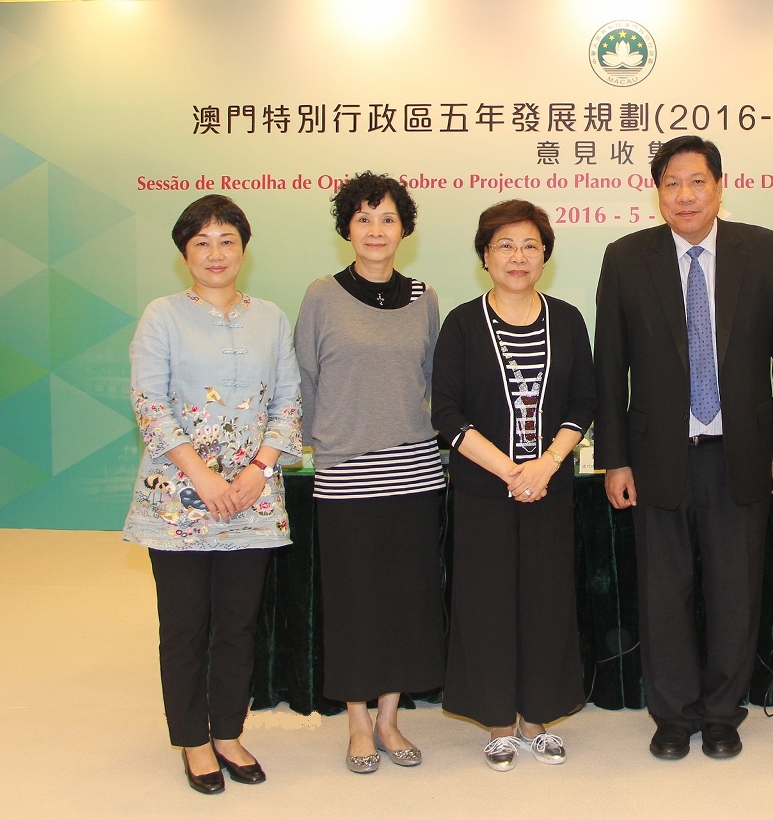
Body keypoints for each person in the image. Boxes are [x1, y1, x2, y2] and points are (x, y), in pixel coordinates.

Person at [593, 135, 773, 760]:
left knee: (734, 592)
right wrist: (615, 458)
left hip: (739, 453)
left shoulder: (763, 250)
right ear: (657, 193)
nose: (685, 195)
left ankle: (722, 712)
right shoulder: (626, 257)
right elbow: (611, 367)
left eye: (696, 182)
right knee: (664, 595)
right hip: (659, 457)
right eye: (671, 184)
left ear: (720, 186)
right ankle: (673, 715)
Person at [124, 195, 302, 794]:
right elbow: (150, 403)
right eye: (201, 242)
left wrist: (258, 469)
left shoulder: (271, 318)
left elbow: (288, 401)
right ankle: (193, 741)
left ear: (244, 249)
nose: (215, 253)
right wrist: (201, 475)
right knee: (183, 626)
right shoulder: (162, 315)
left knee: (237, 623)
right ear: (184, 253)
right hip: (179, 498)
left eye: (227, 239)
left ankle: (228, 731)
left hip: (253, 497)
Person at [431, 199, 596, 771]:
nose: (517, 257)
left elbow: (584, 402)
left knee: (547, 604)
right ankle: (499, 722)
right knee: (486, 604)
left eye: (529, 245)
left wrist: (547, 464)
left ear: (545, 255)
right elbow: (447, 415)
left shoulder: (568, 319)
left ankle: (537, 718)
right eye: (504, 245)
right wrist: (509, 470)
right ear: (484, 255)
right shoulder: (461, 322)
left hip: (549, 488)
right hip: (484, 492)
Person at [294, 172, 445, 774]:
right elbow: (305, 379)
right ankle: (357, 721)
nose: (376, 230)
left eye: (387, 218)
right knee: (355, 602)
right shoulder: (321, 295)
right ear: (346, 230)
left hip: (415, 473)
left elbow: (433, 382)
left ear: (404, 228)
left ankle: (389, 718)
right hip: (346, 474)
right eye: (363, 218)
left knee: (406, 601)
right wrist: (308, 447)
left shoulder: (425, 298)